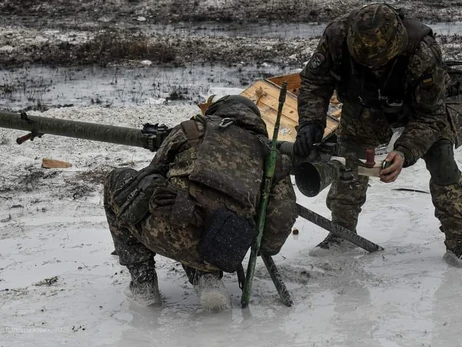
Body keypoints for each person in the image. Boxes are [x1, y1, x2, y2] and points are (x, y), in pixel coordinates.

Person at [294, 3, 462, 267]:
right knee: (348, 159)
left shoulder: (422, 51)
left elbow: (431, 115)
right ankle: (342, 233)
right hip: (363, 106)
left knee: (442, 160)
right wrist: (310, 122)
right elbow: (315, 82)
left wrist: (404, 152)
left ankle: (459, 239)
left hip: (416, 109)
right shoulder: (337, 36)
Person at [104, 95, 298, 311]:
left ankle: (143, 283)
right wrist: (259, 244)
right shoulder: (272, 158)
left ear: (216, 111)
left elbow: (152, 173)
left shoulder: (192, 129)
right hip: (223, 250)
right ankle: (208, 280)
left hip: (165, 230)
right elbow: (282, 217)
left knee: (118, 179)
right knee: (213, 213)